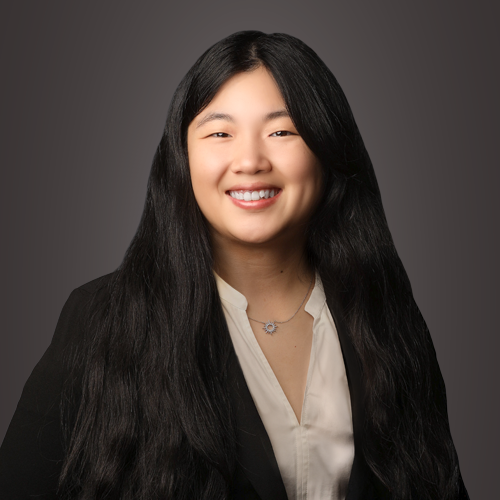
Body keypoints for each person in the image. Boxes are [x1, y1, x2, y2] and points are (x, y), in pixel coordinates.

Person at [0, 31, 469, 500]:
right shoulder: (102, 319)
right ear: (182, 157)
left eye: (282, 132)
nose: (249, 161)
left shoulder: (384, 314)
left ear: (327, 150)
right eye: (220, 133)